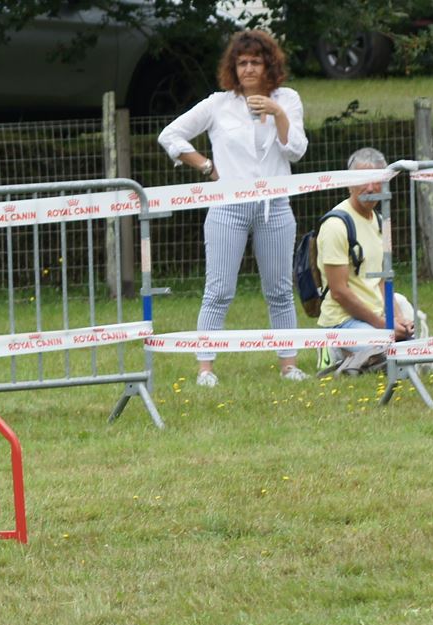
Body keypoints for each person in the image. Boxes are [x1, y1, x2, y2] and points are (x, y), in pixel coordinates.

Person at [157, 29, 309, 387]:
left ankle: (289, 364)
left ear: (268, 64)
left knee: (279, 289)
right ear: (233, 67)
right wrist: (206, 167)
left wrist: (277, 113)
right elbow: (170, 136)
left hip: (275, 205)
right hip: (228, 207)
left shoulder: (287, 99)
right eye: (242, 63)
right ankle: (205, 369)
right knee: (220, 288)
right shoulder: (218, 103)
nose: (249, 69)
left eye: (256, 62)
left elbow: (296, 150)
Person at [315, 147, 414, 375]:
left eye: (377, 180)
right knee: (393, 361)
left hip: (376, 317)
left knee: (411, 349)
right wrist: (384, 327)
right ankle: (334, 350)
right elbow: (339, 292)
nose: (370, 188)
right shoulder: (335, 225)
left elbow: (382, 281)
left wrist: (398, 320)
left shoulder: (383, 221)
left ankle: (364, 357)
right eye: (363, 180)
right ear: (349, 183)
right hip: (343, 321)